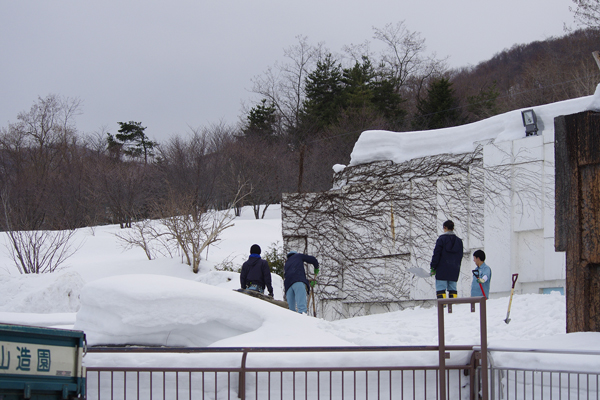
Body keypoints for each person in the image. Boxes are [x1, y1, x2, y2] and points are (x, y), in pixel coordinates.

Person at [430, 220, 464, 299]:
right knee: (453, 289)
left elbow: (436, 254)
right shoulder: (459, 241)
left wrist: (433, 267)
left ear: (445, 227)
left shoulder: (441, 239)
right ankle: (452, 307)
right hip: (454, 269)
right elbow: (460, 256)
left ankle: (443, 308)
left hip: (442, 269)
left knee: (441, 289)